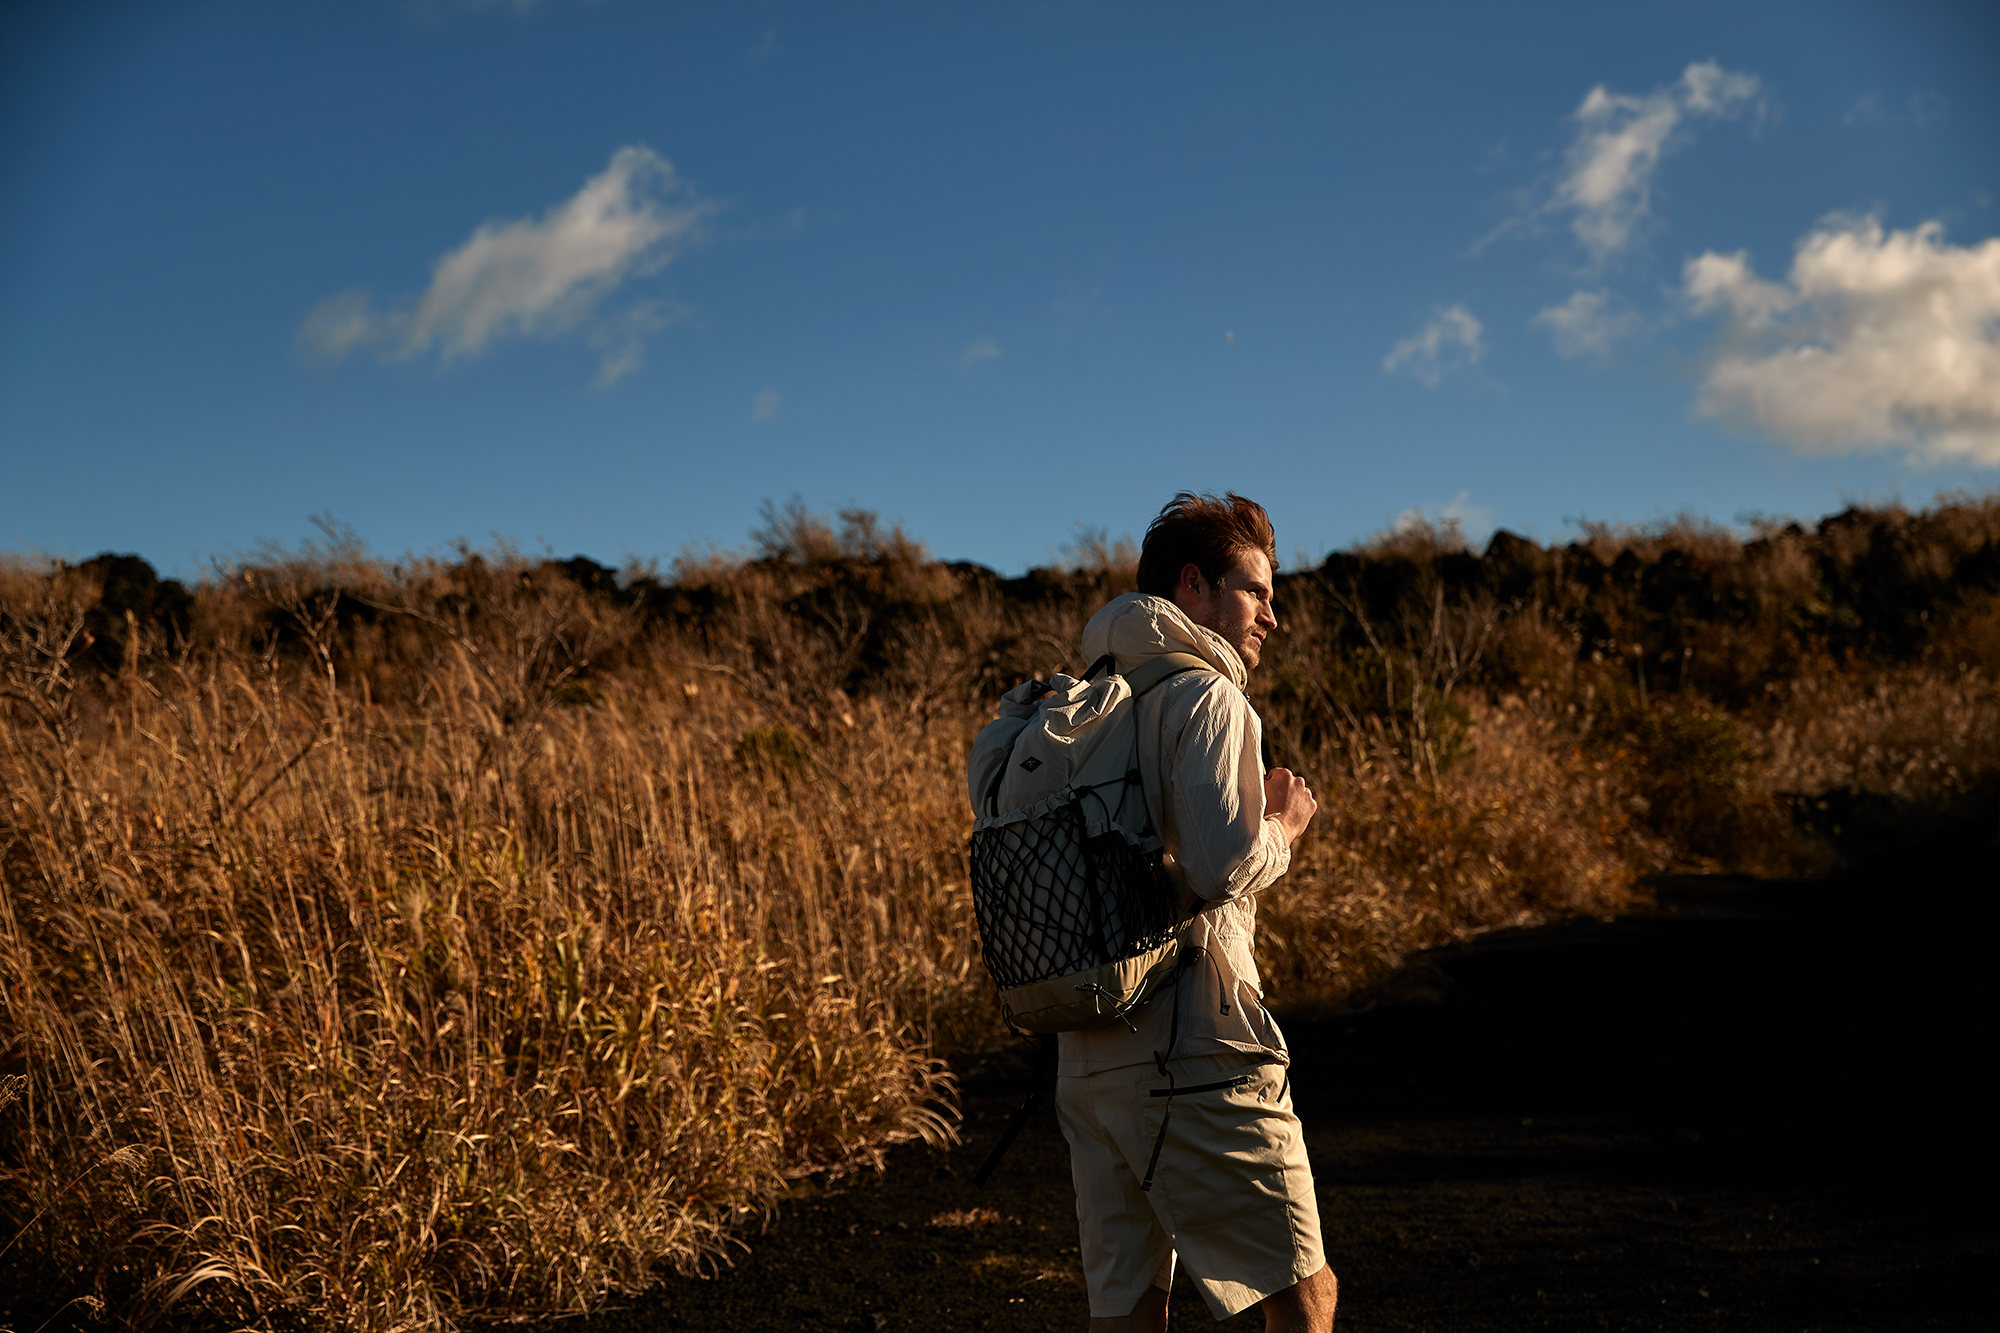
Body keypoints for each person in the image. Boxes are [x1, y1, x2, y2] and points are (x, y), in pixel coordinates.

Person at [1053, 491, 1335, 1332]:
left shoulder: (1079, 707)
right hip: (1190, 1048)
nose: (1271, 618)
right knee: (1302, 1291)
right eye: (1256, 590)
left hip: (1086, 1053)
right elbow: (1222, 867)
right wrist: (1283, 827)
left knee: (1128, 1308)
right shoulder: (1207, 697)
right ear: (1193, 587)